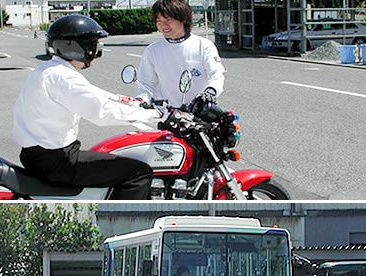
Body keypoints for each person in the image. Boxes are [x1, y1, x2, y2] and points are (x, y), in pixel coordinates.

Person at [12, 15, 163, 201]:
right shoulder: (64, 77)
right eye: (93, 43)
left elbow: (94, 93)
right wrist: (153, 115)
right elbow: (102, 111)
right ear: (79, 47)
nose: (97, 48)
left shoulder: (51, 70)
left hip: (36, 155)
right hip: (56, 161)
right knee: (139, 173)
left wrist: (131, 102)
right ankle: (115, 220)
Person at [136, 0, 225, 107]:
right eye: (159, 21)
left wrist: (211, 91)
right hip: (167, 115)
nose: (163, 25)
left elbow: (216, 74)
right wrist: (140, 101)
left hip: (198, 111)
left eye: (168, 20)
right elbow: (146, 84)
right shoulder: (152, 50)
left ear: (183, 19)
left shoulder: (203, 45)